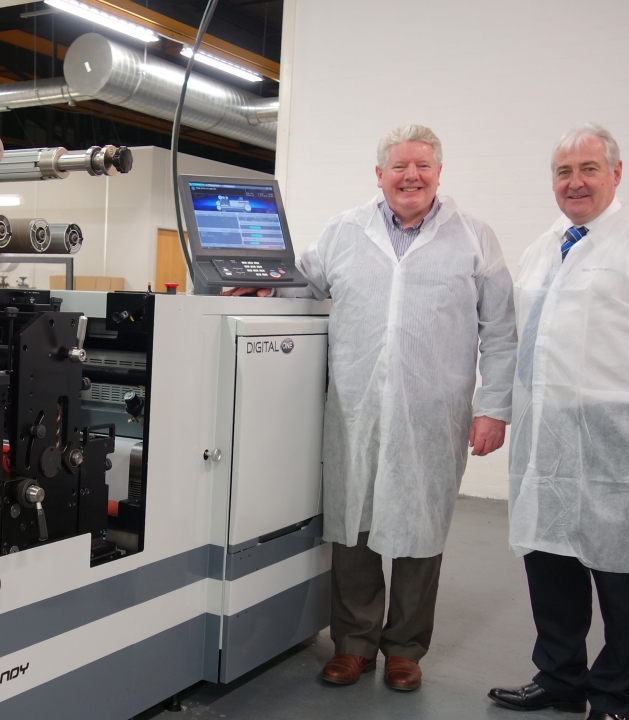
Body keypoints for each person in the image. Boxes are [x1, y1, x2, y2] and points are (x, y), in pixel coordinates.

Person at [227, 124, 516, 691]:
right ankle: (354, 644)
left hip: (433, 409)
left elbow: (502, 330)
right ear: (379, 174)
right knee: (353, 523)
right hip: (356, 405)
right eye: (400, 167)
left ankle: (405, 648)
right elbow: (302, 284)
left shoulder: (475, 238)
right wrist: (257, 285)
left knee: (421, 525)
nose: (412, 176)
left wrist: (494, 406)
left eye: (423, 167)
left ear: (438, 172)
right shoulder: (344, 231)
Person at [488, 124, 629, 720]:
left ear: (616, 172)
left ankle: (614, 694)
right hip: (547, 437)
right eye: (564, 172)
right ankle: (559, 677)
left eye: (588, 168)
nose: (575, 182)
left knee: (623, 577)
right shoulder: (546, 246)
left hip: (619, 442)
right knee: (550, 564)